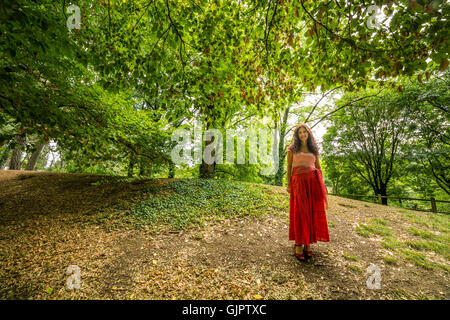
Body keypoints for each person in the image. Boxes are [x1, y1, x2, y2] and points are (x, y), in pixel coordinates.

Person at [286, 123, 330, 261]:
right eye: (300, 132)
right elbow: (289, 167)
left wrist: (322, 184)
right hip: (298, 183)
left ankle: (308, 243)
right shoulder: (292, 149)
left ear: (309, 133)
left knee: (311, 212)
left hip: (313, 184)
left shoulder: (314, 149)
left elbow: (319, 167)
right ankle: (298, 243)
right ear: (296, 135)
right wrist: (288, 184)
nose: (302, 134)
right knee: (300, 212)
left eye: (304, 132)